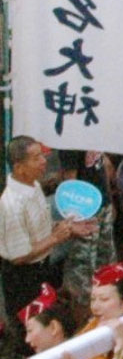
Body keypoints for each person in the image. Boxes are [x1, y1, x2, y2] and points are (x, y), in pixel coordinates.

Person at [0, 136, 95, 320]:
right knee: (31, 329)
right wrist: (56, 238)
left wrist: (68, 228)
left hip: (44, 267)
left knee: (49, 319)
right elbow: (19, 256)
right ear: (19, 168)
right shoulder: (11, 204)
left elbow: (38, 228)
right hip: (23, 278)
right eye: (36, 158)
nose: (44, 161)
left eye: (42, 155)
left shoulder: (34, 185)